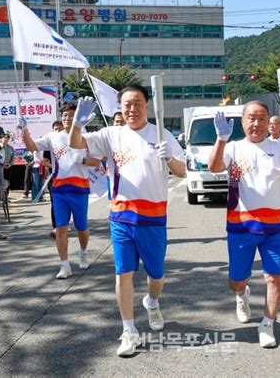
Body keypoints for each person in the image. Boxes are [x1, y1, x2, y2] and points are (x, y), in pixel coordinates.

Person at [69, 87, 186, 357]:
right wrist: (77, 123)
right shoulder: (111, 135)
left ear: (147, 105)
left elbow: (181, 171)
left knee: (156, 275)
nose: (132, 109)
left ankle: (152, 302)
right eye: (126, 104)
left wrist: (168, 157)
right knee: (123, 274)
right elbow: (76, 144)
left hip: (154, 218)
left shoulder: (162, 134)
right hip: (121, 216)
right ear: (119, 107)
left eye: (137, 103)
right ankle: (129, 330)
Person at [208, 102, 280, 348]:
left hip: (274, 227)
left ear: (268, 122)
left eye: (262, 118)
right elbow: (214, 167)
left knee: (276, 278)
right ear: (243, 122)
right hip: (241, 225)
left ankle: (267, 323)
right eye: (251, 118)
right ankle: (242, 294)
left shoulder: (279, 147)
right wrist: (220, 139)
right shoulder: (233, 147)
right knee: (237, 279)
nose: (257, 124)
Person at [18, 103, 101, 279]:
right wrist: (25, 131)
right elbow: (32, 147)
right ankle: (64, 265)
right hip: (59, 189)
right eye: (64, 115)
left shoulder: (86, 137)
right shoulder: (52, 137)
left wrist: (83, 160)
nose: (67, 118)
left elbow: (98, 162)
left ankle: (83, 251)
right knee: (60, 228)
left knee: (82, 228)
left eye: (71, 115)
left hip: (79, 188)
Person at [44, 121, 64, 239]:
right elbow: (45, 161)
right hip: (54, 178)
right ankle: (55, 226)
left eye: (59, 129)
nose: (58, 131)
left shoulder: (69, 142)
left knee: (66, 203)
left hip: (67, 179)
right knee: (54, 202)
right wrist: (52, 166)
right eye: (55, 129)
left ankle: (63, 225)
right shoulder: (50, 144)